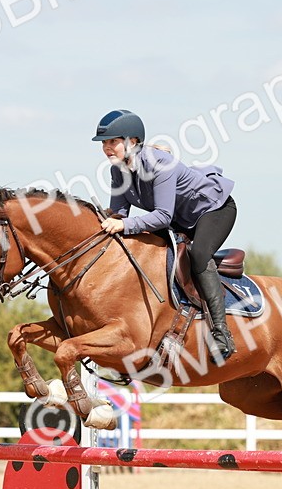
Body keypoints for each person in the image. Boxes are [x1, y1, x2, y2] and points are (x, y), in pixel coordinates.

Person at [92, 109, 238, 363]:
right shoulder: (118, 171)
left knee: (199, 254)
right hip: (181, 218)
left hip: (214, 209)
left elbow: (162, 217)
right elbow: (119, 213)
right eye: (104, 143)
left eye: (112, 141)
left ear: (133, 141)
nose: (107, 148)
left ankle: (221, 333)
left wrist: (123, 224)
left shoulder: (159, 164)